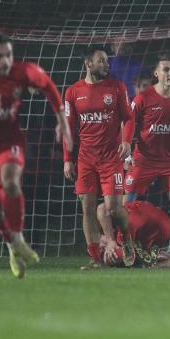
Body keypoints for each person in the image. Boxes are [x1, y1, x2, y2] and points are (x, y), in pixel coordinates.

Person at [0, 33, 72, 278]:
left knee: (11, 181)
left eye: (9, 55)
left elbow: (47, 85)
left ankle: (19, 238)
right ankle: (12, 248)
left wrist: (62, 120)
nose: (6, 61)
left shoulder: (20, 72)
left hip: (9, 140)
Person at [63, 46, 134, 269]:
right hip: (86, 159)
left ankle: (128, 241)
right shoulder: (73, 92)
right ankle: (94, 259)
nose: (106, 64)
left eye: (106, 60)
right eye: (101, 61)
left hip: (111, 157)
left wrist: (126, 141)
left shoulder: (116, 87)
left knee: (112, 206)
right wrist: (67, 158)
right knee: (87, 208)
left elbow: (129, 119)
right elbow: (68, 127)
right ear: (88, 64)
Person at [122, 55, 170, 267]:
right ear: (157, 73)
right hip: (143, 160)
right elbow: (128, 122)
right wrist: (126, 145)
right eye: (166, 70)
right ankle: (124, 248)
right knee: (125, 204)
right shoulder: (142, 98)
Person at [97, 199, 170, 268]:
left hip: (156, 222)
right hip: (159, 221)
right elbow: (102, 208)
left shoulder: (116, 229)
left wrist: (110, 241)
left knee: (130, 254)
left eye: (100, 246)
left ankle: (162, 254)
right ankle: (162, 255)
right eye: (102, 250)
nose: (102, 246)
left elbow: (102, 208)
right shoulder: (119, 232)